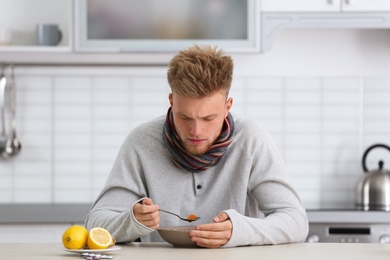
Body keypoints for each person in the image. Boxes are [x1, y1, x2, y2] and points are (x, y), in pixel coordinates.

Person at [85, 45, 309, 248]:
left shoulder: (251, 138)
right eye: (185, 117)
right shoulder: (141, 142)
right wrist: (132, 221)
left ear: (227, 106)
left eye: (208, 118)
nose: (196, 132)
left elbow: (296, 221)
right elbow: (95, 223)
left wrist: (239, 230)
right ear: (171, 101)